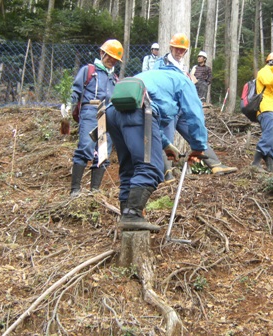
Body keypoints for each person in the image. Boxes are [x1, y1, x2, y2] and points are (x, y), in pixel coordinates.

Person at [106, 63, 208, 232]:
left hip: (112, 113)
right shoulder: (183, 80)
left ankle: (127, 215)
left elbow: (148, 123)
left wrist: (166, 144)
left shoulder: (152, 75)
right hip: (138, 110)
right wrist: (198, 146)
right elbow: (195, 114)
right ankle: (133, 214)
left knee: (129, 168)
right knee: (151, 167)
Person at [155, 34, 237, 180]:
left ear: (186, 51)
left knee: (196, 134)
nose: (179, 52)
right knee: (166, 139)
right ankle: (167, 174)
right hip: (169, 108)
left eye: (182, 50)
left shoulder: (183, 67)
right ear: (171, 47)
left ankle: (215, 164)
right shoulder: (161, 64)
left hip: (182, 109)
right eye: (177, 48)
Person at [69, 39, 123, 197]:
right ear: (102, 53)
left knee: (103, 153)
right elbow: (76, 90)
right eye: (109, 56)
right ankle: (75, 190)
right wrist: (68, 104)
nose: (111, 61)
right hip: (91, 109)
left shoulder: (115, 78)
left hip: (107, 114)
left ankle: (94, 191)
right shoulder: (89, 70)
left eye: (115, 59)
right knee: (85, 147)